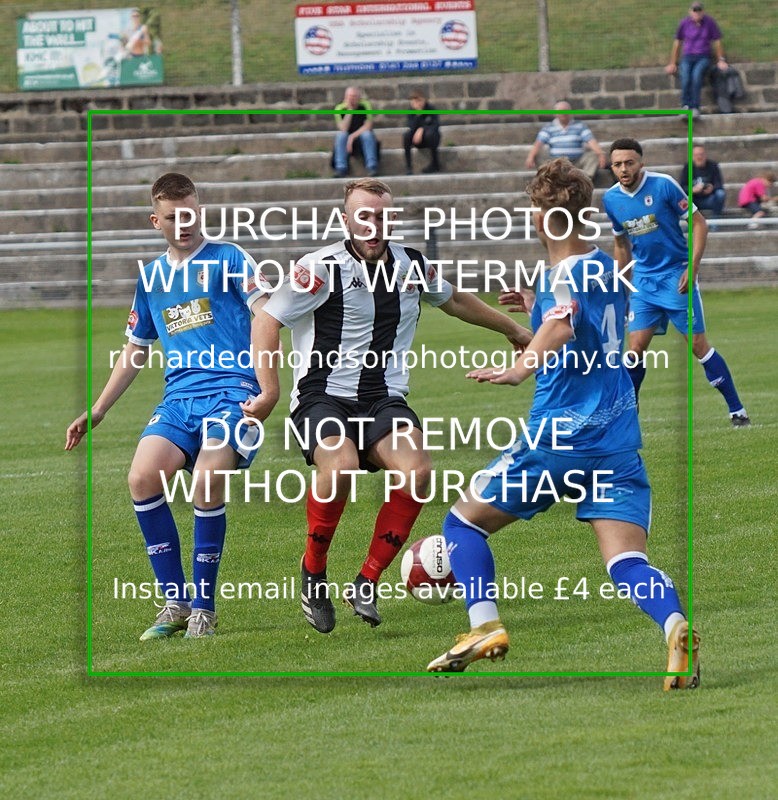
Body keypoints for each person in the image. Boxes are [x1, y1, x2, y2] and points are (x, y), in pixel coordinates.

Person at [425, 158, 699, 690]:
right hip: (618, 443)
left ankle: (483, 627)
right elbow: (581, 322)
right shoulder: (603, 268)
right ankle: (674, 625)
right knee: (626, 563)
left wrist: (518, 367)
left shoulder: (565, 274)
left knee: (463, 524)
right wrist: (534, 307)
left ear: (541, 216)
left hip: (560, 438)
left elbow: (566, 324)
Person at [242, 178, 532, 634]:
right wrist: (270, 391)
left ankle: (367, 580)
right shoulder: (319, 268)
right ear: (345, 220)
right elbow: (267, 319)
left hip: (381, 399)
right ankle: (313, 572)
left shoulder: (411, 264)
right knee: (339, 466)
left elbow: (454, 299)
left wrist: (512, 331)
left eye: (381, 216)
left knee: (417, 470)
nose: (373, 226)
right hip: (322, 396)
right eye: (363, 216)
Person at [66, 173, 268, 639]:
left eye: (191, 213)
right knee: (141, 476)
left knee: (206, 479)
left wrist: (266, 386)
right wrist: (97, 411)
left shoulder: (230, 258)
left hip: (233, 391)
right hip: (179, 398)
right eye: (173, 217)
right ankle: (174, 603)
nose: (184, 223)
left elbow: (265, 313)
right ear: (156, 220)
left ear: (201, 210)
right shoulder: (152, 277)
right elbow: (136, 348)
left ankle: (204, 607)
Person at [603, 138, 749, 426]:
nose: (623, 168)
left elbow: (699, 223)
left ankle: (737, 411)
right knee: (633, 351)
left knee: (698, 346)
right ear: (611, 167)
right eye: (618, 164)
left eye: (629, 162)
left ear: (640, 163)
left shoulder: (664, 185)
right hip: (644, 283)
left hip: (676, 277)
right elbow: (621, 246)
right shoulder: (611, 199)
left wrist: (692, 269)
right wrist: (622, 287)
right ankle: (629, 416)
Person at [665, 3, 727, 117]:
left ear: (703, 12)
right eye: (694, 11)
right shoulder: (684, 23)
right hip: (688, 56)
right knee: (686, 76)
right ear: (690, 12)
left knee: (696, 75)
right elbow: (677, 43)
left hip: (703, 57)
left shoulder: (709, 22)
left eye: (699, 11)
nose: (697, 13)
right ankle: (685, 106)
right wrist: (672, 63)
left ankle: (695, 107)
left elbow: (717, 41)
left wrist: (721, 60)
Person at [524, 101, 608, 181]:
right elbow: (538, 143)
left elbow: (591, 141)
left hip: (577, 162)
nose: (563, 113)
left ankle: (584, 180)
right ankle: (550, 178)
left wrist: (600, 154)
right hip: (556, 163)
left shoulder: (580, 126)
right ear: (555, 113)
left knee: (593, 155)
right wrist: (530, 157)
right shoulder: (548, 127)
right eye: (560, 111)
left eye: (565, 110)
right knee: (537, 155)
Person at [333, 86, 379, 178]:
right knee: (341, 136)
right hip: (346, 137)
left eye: (354, 96)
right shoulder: (339, 108)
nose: (352, 99)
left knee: (367, 135)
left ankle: (372, 166)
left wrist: (352, 137)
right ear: (345, 97)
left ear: (359, 97)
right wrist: (350, 111)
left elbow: (368, 126)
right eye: (350, 96)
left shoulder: (365, 105)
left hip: (360, 135)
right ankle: (341, 168)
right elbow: (343, 128)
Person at [679, 144, 726, 216]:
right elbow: (681, 187)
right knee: (683, 200)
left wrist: (711, 188)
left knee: (720, 194)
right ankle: (688, 225)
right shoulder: (687, 167)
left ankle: (715, 223)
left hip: (709, 199)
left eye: (701, 154)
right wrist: (692, 190)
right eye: (696, 155)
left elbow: (719, 184)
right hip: (693, 200)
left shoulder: (713, 165)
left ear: (705, 155)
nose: (699, 157)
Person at [403, 90, 441, 175]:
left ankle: (435, 164)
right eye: (414, 101)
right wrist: (418, 114)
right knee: (406, 136)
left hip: (431, 139)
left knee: (430, 134)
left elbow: (436, 125)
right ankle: (409, 167)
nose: (417, 103)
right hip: (417, 140)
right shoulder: (411, 111)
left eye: (419, 100)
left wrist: (422, 129)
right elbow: (411, 127)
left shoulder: (431, 108)